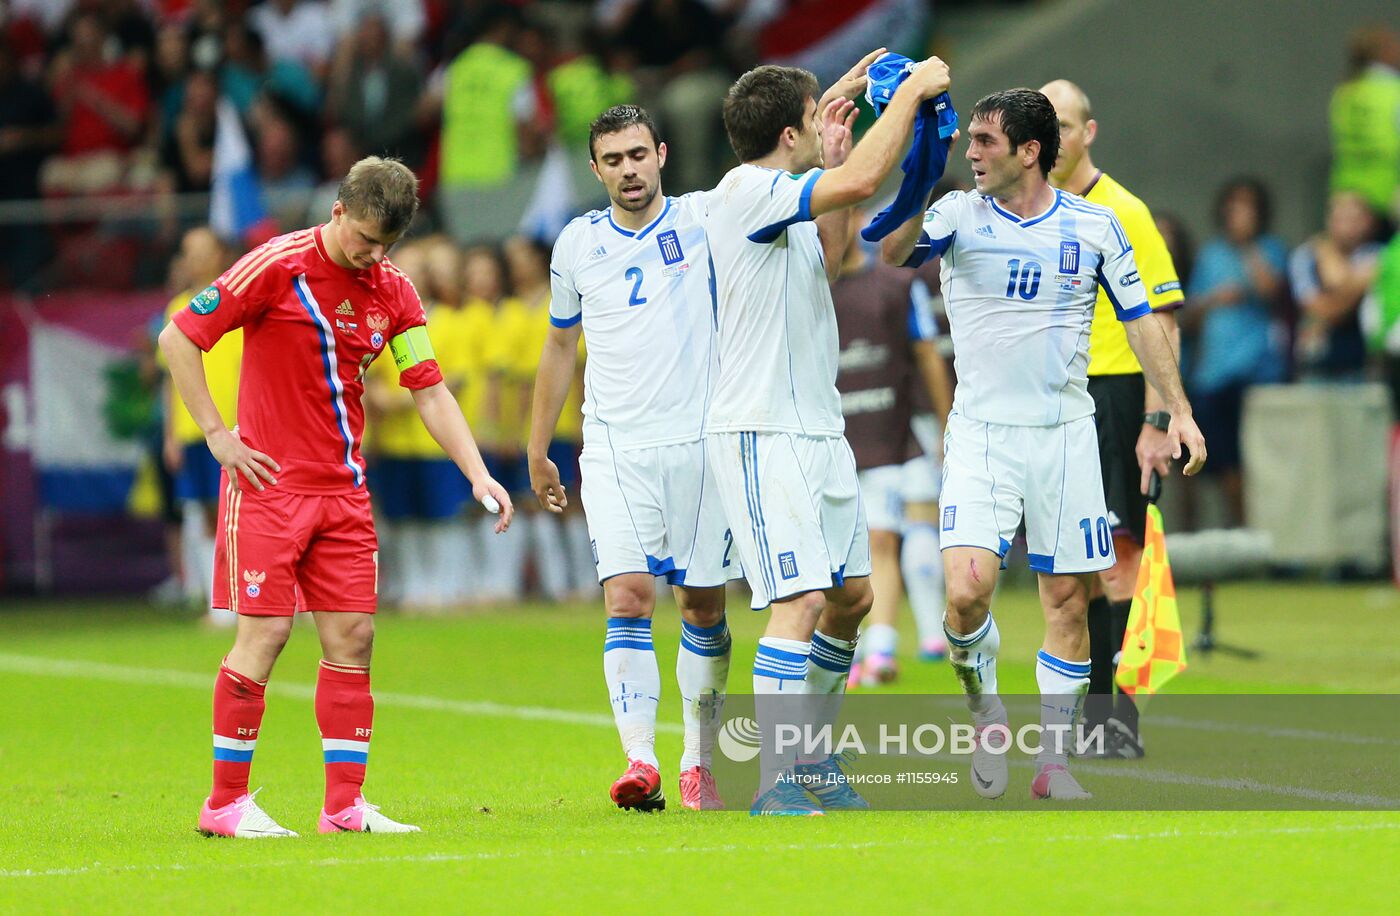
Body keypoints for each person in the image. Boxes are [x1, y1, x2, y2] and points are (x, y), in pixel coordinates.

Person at [159, 156, 513, 838]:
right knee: (264, 635)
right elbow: (180, 336)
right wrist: (216, 435)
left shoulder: (396, 292)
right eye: (364, 238)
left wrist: (476, 472)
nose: (371, 255)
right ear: (339, 211)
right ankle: (224, 804)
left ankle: (343, 809)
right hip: (268, 486)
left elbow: (429, 390)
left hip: (344, 493)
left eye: (386, 245)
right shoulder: (276, 265)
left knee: (354, 636)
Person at [880, 88, 1206, 801]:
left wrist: (1175, 410)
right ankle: (985, 712)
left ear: (1029, 151)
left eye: (985, 142)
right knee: (966, 593)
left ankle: (1052, 765)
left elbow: (1144, 318)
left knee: (1066, 598)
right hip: (982, 437)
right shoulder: (957, 214)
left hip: (1065, 436)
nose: (971, 153)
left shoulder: (1096, 226)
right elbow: (894, 248)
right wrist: (917, 165)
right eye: (968, 140)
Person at [704, 51, 954, 815]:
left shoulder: (787, 198)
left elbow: (841, 249)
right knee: (802, 601)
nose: (828, 121)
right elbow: (861, 186)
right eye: (816, 116)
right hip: (761, 429)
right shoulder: (747, 191)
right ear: (789, 132)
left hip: (817, 427)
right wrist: (907, 95)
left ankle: (812, 761)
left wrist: (837, 156)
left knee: (849, 597)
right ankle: (776, 780)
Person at [529, 105, 737, 812]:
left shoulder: (704, 220)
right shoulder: (576, 245)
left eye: (638, 155)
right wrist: (538, 446)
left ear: (662, 155)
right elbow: (560, 345)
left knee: (702, 606)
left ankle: (700, 760)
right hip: (615, 447)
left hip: (703, 444)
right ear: (596, 170)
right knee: (627, 597)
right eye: (613, 159)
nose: (628, 169)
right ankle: (641, 761)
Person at [1040, 79, 1186, 756]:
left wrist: (1159, 416)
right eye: (1047, 126)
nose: (1057, 138)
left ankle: (1114, 713)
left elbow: (1160, 315)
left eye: (1067, 125)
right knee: (1072, 559)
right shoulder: (1028, 211)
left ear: (1089, 132)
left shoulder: (1123, 209)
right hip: (1052, 397)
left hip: (1115, 390)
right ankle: (1089, 707)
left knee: (1118, 556)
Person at [832, 211, 952, 687]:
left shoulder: (898, 285)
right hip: (831, 438)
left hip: (889, 433)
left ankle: (882, 646)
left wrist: (946, 426)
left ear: (857, 219)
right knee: (844, 550)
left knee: (882, 536)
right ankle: (847, 647)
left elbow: (927, 352)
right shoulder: (808, 286)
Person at [1184, 177, 1287, 528]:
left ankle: (1254, 529)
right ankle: (1232, 528)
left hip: (1256, 370)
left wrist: (1248, 248)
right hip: (1214, 372)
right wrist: (1217, 298)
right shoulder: (1212, 253)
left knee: (1256, 458)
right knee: (1216, 458)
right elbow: (1190, 311)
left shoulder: (1269, 249)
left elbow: (1272, 290)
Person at [161, 227, 241, 623]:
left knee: (239, 514)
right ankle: (219, 601)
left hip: (234, 427)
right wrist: (171, 434)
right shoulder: (177, 306)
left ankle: (264, 596)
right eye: (187, 251)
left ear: (220, 254)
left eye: (201, 251)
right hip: (194, 430)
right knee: (207, 513)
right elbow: (169, 376)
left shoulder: (238, 300)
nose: (193, 259)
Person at [1289, 190, 1382, 382]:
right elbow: (1320, 310)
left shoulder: (1381, 254)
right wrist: (1357, 284)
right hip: (1316, 366)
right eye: (1342, 217)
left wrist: (1335, 276)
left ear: (1369, 221)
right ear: (1329, 219)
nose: (1349, 226)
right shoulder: (1306, 255)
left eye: (1357, 218)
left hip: (1366, 367)